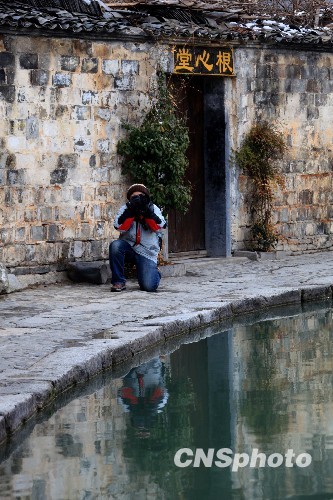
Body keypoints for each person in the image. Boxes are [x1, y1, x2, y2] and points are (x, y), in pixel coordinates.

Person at [109, 184, 166, 292]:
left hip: (146, 252)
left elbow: (160, 227)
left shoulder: (153, 208)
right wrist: (130, 212)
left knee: (149, 286)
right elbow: (119, 227)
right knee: (115, 246)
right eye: (134, 197)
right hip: (129, 248)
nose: (137, 199)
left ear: (146, 197)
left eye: (140, 196)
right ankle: (118, 282)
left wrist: (149, 214)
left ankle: (154, 271)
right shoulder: (126, 208)